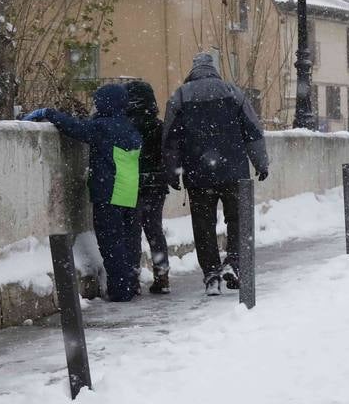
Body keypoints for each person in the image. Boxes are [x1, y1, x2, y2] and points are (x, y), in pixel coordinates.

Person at [23, 84, 143, 303]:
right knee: (128, 241)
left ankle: (120, 290)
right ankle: (132, 283)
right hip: (129, 192)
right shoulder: (130, 128)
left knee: (111, 242)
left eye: (98, 102)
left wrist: (48, 113)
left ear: (106, 103)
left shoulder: (102, 127)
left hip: (109, 192)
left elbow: (75, 128)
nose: (95, 106)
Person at [162, 53, 269, 297]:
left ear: (193, 70)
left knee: (203, 226)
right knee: (237, 220)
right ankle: (234, 262)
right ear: (214, 70)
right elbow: (253, 130)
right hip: (234, 172)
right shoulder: (233, 92)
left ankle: (211, 274)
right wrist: (261, 163)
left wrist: (172, 171)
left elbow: (170, 139)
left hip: (198, 174)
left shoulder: (180, 95)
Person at [125, 80, 170, 294]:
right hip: (156, 184)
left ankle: (132, 279)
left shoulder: (126, 127)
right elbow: (167, 154)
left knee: (132, 232)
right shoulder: (159, 126)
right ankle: (161, 274)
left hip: (133, 183)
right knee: (154, 230)